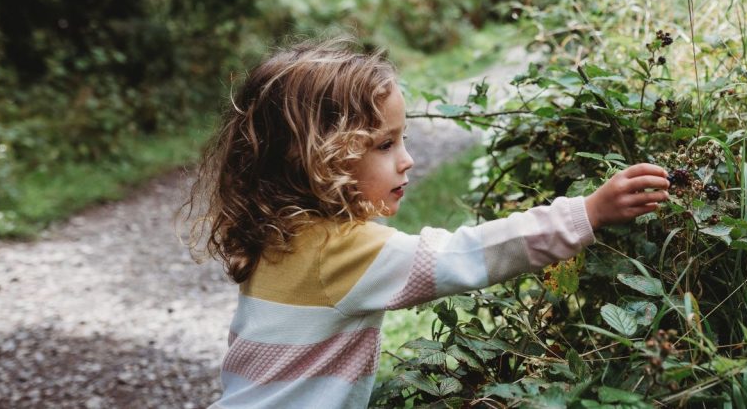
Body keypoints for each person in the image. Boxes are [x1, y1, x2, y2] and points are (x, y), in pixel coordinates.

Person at [186, 36, 670, 408]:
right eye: (384, 145)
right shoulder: (341, 252)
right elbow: (468, 255)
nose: (408, 160)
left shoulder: (276, 235)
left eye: (402, 139)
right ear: (315, 157)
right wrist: (586, 213)